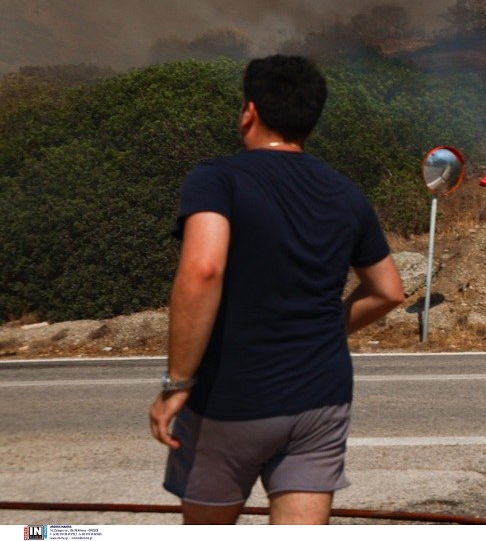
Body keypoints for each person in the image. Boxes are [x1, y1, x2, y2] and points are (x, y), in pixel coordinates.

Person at [148, 54, 405, 525]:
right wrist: (324, 331)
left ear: (249, 112)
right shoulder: (346, 192)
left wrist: (177, 384)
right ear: (311, 121)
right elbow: (388, 291)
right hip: (321, 397)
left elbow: (203, 270)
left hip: (230, 398)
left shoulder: (217, 178)